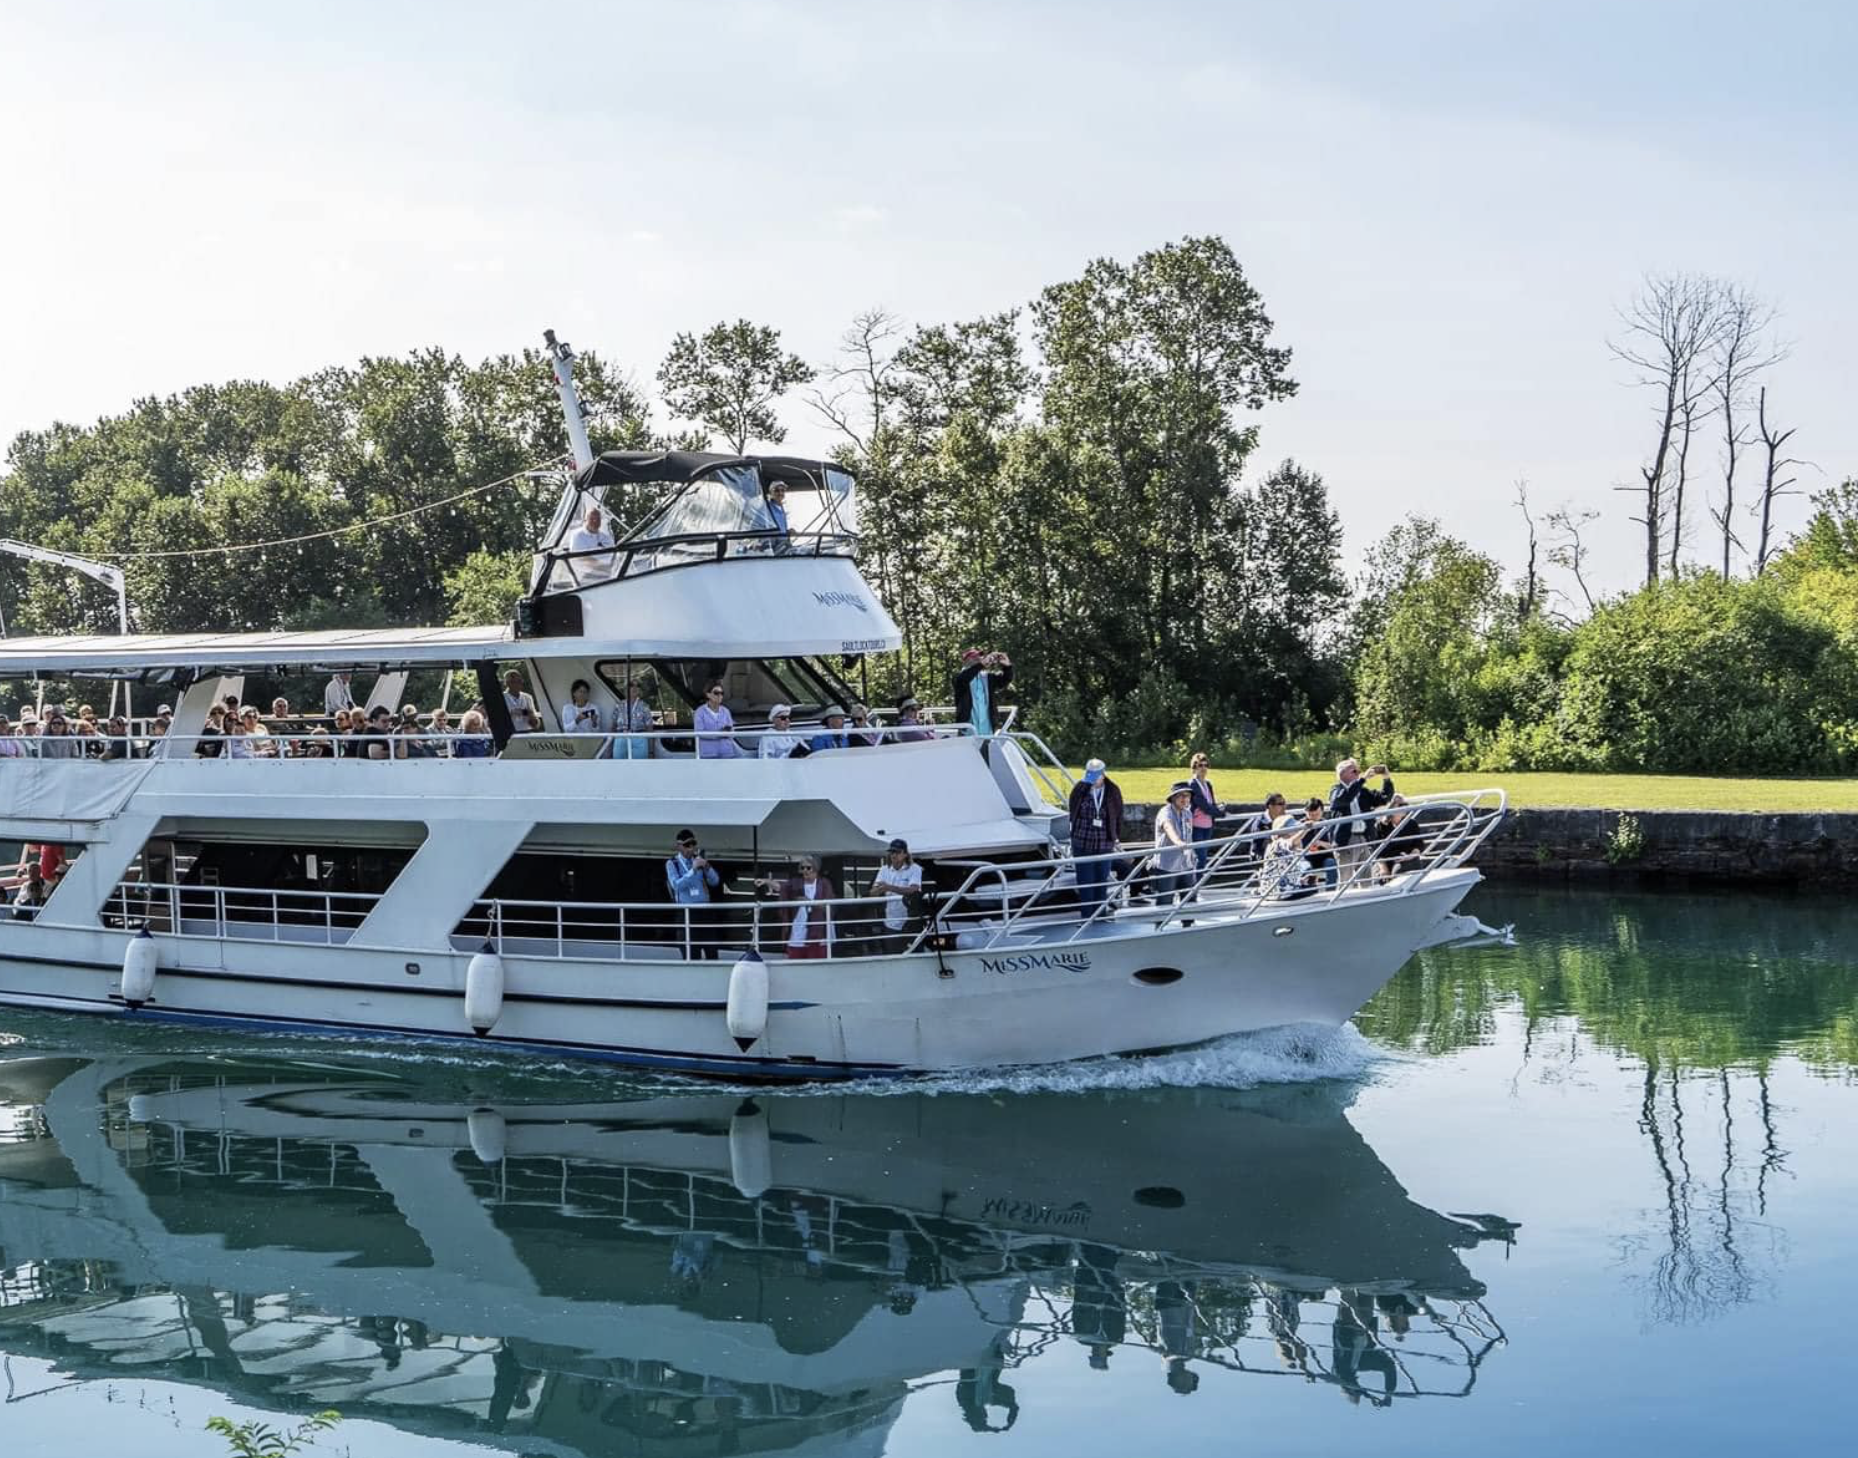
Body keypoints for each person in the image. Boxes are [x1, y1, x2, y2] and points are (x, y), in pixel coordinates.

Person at [1067, 758, 1123, 916]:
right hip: (1082, 843)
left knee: (1101, 881)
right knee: (1085, 882)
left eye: (1096, 777)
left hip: (1104, 844)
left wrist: (1115, 836)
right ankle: (1086, 916)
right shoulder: (1080, 788)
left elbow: (1118, 815)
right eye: (1090, 777)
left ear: (1103, 775)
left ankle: (1100, 915)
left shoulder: (1112, 791)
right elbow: (1073, 810)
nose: (1093, 781)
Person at [1327, 758, 1396, 885]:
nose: (1358, 773)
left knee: (1366, 879)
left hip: (1363, 838)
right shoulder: (1335, 791)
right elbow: (1345, 798)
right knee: (1345, 880)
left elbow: (1384, 798)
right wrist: (1363, 780)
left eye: (1359, 771)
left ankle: (1366, 901)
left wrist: (1386, 778)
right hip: (1346, 840)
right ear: (1342, 774)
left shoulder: (1362, 791)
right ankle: (1343, 902)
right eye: (1354, 771)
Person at [761, 855, 837, 959]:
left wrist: (809, 902)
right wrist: (766, 881)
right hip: (799, 926)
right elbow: (781, 887)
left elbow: (829, 905)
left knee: (816, 959)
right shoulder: (796, 882)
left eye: (808, 868)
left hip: (819, 928)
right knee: (795, 954)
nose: (805, 870)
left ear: (816, 869)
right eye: (802, 868)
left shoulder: (824, 884)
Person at [665, 830, 721, 960]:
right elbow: (676, 885)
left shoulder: (698, 859)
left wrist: (706, 866)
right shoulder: (672, 863)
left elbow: (715, 881)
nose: (691, 848)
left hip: (705, 912)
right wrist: (693, 870)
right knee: (691, 954)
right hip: (687, 913)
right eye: (687, 845)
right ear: (679, 846)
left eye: (693, 844)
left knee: (712, 952)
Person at [869, 838, 924, 954]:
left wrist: (889, 887)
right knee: (893, 955)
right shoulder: (884, 870)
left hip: (911, 922)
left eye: (897, 852)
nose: (893, 855)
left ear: (905, 854)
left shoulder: (915, 869)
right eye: (892, 852)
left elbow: (914, 890)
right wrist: (878, 890)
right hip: (891, 922)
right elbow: (872, 892)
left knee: (914, 956)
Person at [953, 648, 1013, 740]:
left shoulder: (986, 677)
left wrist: (1007, 666)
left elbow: (1005, 680)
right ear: (965, 660)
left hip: (987, 729)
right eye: (974, 657)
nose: (978, 658)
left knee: (986, 753)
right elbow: (965, 677)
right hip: (968, 730)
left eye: (980, 656)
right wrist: (981, 665)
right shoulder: (959, 677)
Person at [1153, 782, 1197, 903]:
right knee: (1165, 901)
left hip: (1186, 864)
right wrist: (1178, 842)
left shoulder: (1188, 813)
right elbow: (1168, 827)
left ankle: (1188, 922)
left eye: (1187, 795)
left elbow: (1189, 835)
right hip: (1167, 865)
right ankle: (1161, 922)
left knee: (1190, 900)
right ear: (1173, 798)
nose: (1185, 799)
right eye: (1181, 795)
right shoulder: (1165, 812)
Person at [567, 503, 616, 579]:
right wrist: (601, 566)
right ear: (585, 520)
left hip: (607, 574)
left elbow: (614, 555)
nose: (595, 521)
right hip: (585, 577)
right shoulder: (577, 535)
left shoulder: (605, 537)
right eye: (592, 519)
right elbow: (581, 557)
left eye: (598, 519)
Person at [1187, 753, 1219, 867]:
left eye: (1206, 765)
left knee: (1203, 857)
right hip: (1196, 826)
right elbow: (1203, 805)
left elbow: (1212, 803)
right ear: (1194, 767)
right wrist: (1220, 813)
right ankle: (1196, 883)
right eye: (1200, 765)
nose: (1204, 768)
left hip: (1208, 826)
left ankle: (1199, 882)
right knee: (1199, 858)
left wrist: (1218, 809)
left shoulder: (1208, 784)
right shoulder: (1192, 784)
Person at [694, 683, 742, 758]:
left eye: (722, 693)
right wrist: (719, 733)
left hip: (727, 753)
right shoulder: (700, 712)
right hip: (708, 754)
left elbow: (732, 731)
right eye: (716, 693)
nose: (720, 696)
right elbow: (699, 732)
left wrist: (728, 731)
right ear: (708, 695)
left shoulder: (726, 711)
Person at [611, 678, 654, 759]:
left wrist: (651, 751)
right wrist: (608, 748)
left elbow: (649, 728)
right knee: (619, 766)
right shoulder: (619, 705)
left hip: (639, 737)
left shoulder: (645, 706)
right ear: (626, 688)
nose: (634, 687)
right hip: (621, 737)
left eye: (637, 686)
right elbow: (613, 726)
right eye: (631, 685)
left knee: (639, 767)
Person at [1300, 797, 1336, 887]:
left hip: (1323, 857)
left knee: (1331, 863)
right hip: (1306, 857)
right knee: (1306, 866)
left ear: (1322, 812)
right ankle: (1310, 891)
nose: (1314, 818)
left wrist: (1321, 843)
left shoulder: (1328, 825)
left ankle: (1331, 890)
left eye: (1317, 814)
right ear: (1305, 812)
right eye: (1311, 815)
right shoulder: (1299, 826)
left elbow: (1334, 846)